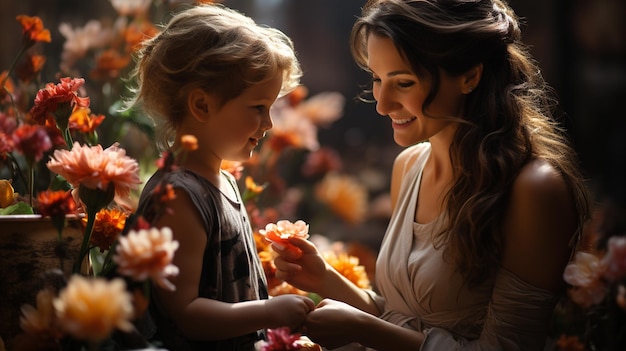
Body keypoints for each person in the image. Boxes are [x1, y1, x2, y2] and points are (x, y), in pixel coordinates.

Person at [272, 0, 591, 350]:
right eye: (377, 79)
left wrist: (364, 330)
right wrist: (326, 279)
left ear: (470, 75)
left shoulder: (533, 188)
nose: (382, 104)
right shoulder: (409, 167)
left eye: (404, 83)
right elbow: (402, 318)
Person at [125, 4, 314, 351]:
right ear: (202, 106)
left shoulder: (221, 182)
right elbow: (187, 314)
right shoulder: (180, 196)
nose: (269, 124)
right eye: (258, 107)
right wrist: (269, 311)